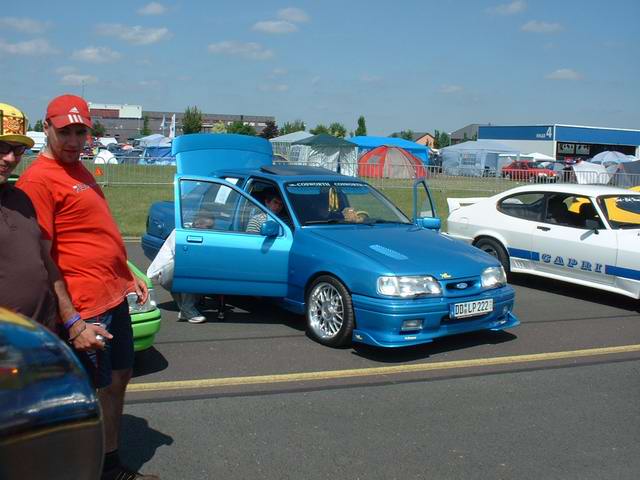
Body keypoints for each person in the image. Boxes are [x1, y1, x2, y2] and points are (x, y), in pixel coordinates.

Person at [17, 95, 157, 480]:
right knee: (85, 397)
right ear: (47, 128)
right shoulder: (38, 180)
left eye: (81, 132)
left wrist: (127, 276)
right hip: (85, 307)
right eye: (65, 132)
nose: (75, 141)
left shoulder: (79, 169)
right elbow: (44, 259)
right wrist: (74, 322)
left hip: (112, 297)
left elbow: (96, 233)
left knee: (118, 380)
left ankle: (110, 467)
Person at [0, 103, 93, 335]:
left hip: (41, 336)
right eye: (1, 147)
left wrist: (72, 321)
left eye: (18, 149)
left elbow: (45, 261)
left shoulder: (20, 199)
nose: (10, 158)